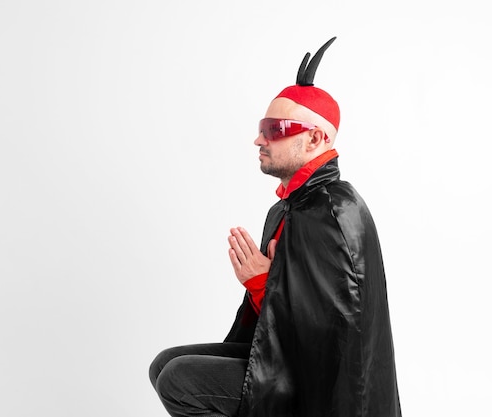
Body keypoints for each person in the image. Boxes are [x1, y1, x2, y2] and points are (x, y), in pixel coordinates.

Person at [149, 37, 402, 417]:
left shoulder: (333, 210)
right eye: (262, 126)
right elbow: (284, 320)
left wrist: (262, 283)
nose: (259, 139)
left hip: (321, 389)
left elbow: (333, 340)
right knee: (164, 364)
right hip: (290, 359)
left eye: (275, 127)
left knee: (178, 380)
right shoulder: (288, 208)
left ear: (315, 138)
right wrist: (266, 285)